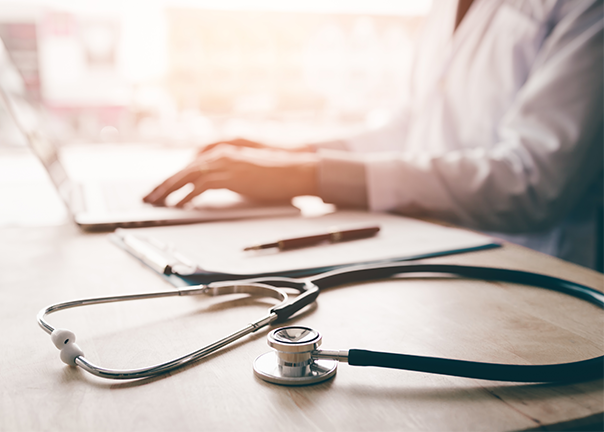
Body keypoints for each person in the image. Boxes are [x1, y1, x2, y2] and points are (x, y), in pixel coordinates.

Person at [144, 0, 603, 269]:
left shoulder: (587, 10)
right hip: (432, 259)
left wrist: (308, 176)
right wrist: (290, 155)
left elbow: (531, 181)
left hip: (534, 274)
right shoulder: (447, 8)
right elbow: (412, 126)